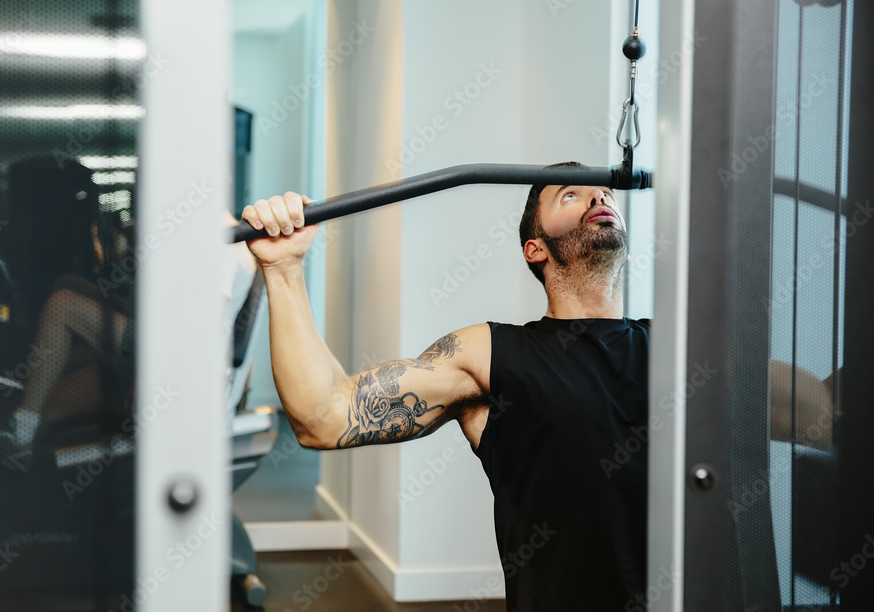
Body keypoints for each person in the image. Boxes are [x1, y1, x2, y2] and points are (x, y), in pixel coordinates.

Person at [240, 173, 645, 611]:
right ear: (536, 247)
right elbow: (324, 416)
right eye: (571, 194)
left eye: (604, 192)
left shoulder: (679, 348)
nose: (597, 195)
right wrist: (283, 268)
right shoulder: (490, 356)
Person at [0, 211, 258, 472]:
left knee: (62, 306)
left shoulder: (218, 241)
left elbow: (201, 336)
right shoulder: (205, 231)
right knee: (47, 400)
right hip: (154, 344)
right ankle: (23, 431)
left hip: (167, 366)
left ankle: (21, 428)